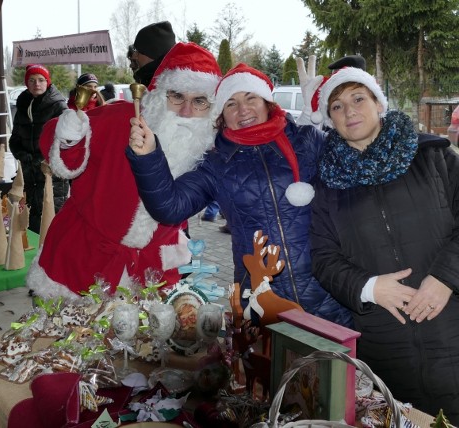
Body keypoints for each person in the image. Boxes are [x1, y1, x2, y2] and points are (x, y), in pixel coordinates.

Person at [126, 62, 353, 327]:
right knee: (267, 367)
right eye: (231, 104)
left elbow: (355, 173)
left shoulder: (308, 140)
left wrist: (328, 120)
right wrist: (149, 158)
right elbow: (169, 207)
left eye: (250, 98)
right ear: (222, 115)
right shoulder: (216, 163)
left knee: (335, 368)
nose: (243, 110)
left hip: (329, 293)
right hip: (260, 298)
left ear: (267, 102)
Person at [309, 67, 459, 422]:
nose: (349, 111)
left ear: (379, 103)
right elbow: (324, 259)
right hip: (385, 345)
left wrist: (445, 278)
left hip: (451, 328)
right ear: (330, 120)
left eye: (358, 99)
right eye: (337, 106)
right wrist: (370, 288)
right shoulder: (327, 187)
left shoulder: (434, 157)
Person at [27, 42, 221, 301]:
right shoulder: (124, 118)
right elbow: (56, 136)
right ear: (160, 94)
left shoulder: (207, 149)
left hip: (153, 269)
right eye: (176, 96)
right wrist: (69, 134)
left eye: (199, 101)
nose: (186, 111)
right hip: (84, 259)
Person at [9, 64, 68, 234]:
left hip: (51, 172)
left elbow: (65, 141)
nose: (37, 84)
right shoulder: (23, 105)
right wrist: (22, 154)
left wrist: (42, 158)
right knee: (32, 217)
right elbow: (15, 138)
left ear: (48, 82)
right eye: (32, 80)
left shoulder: (58, 106)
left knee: (52, 218)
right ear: (27, 83)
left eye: (41, 80)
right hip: (28, 173)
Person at [130, 21, 176, 86]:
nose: (134, 56)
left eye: (138, 51)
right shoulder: (168, 81)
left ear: (152, 54)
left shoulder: (166, 88)